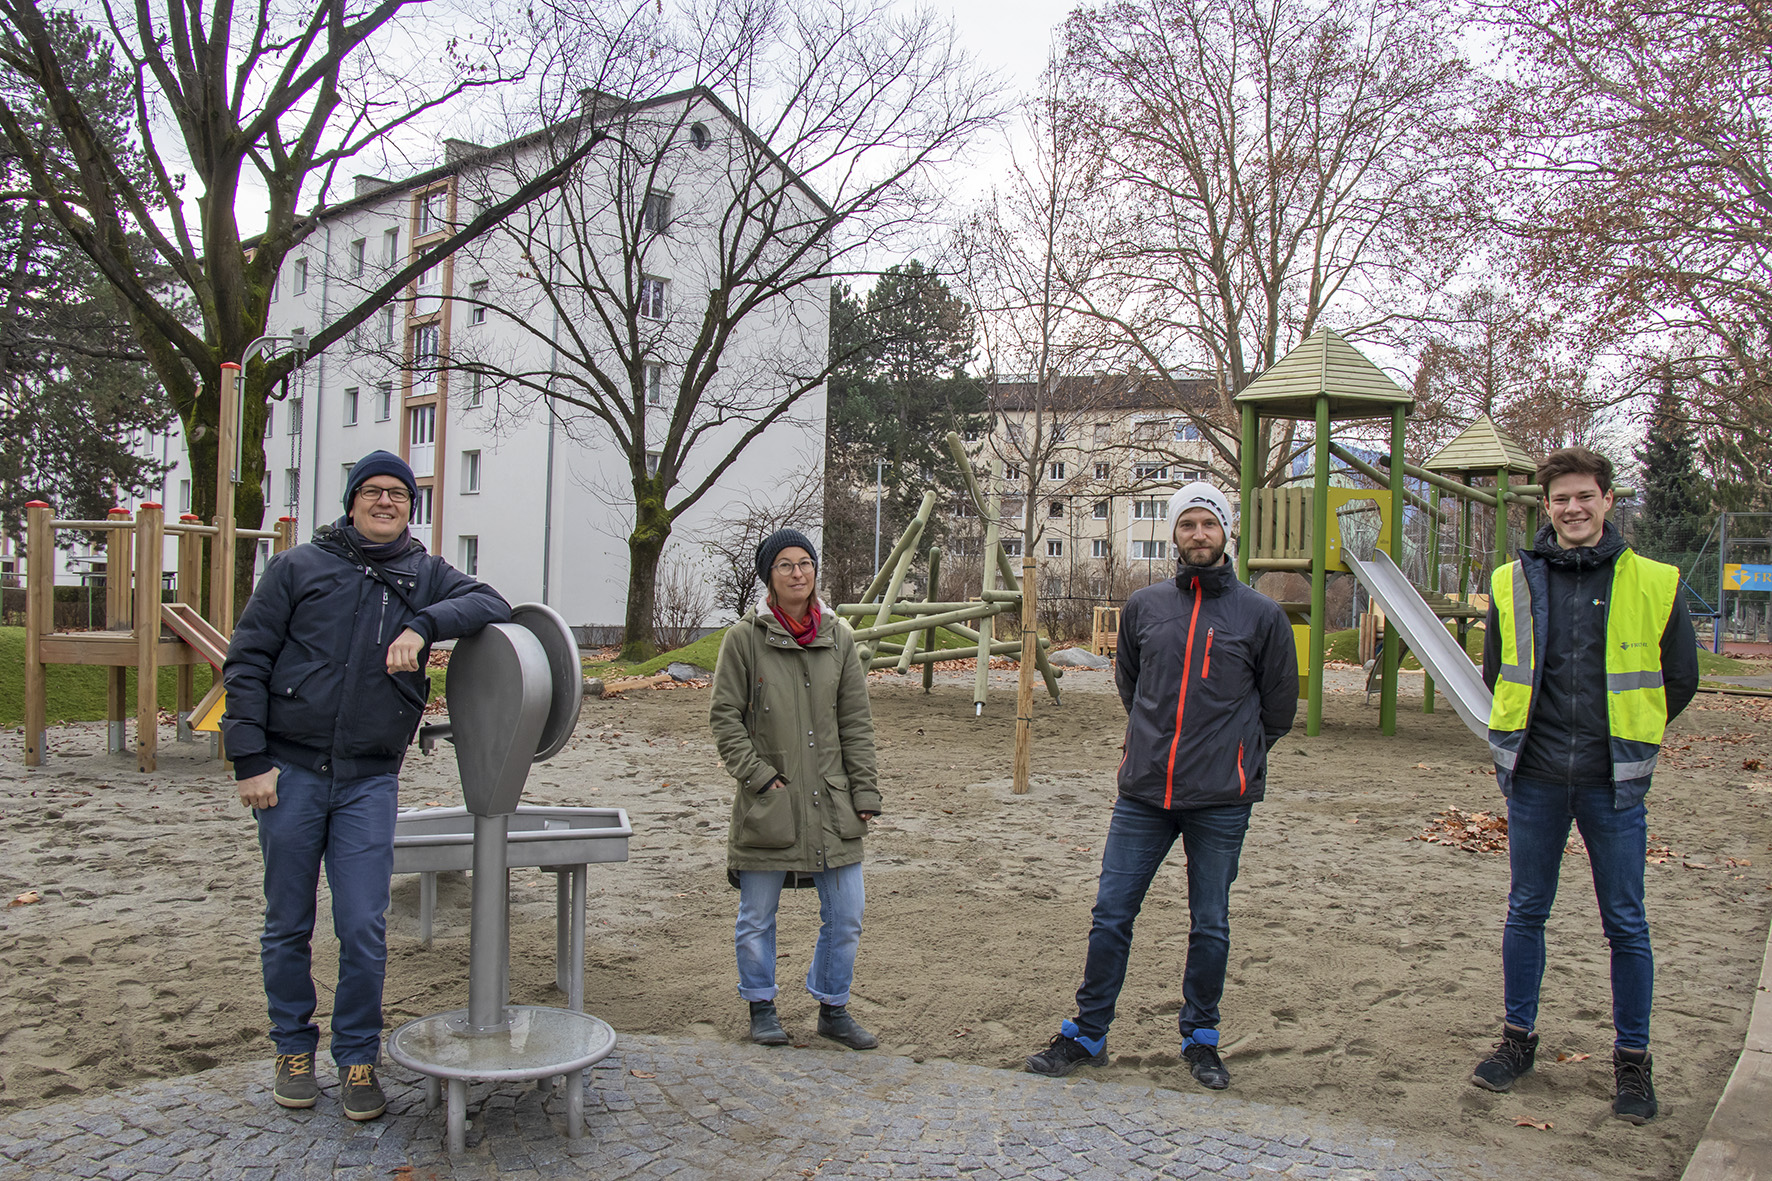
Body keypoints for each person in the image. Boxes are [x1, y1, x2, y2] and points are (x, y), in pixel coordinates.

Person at [222, 450, 511, 1119]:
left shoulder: (424, 573)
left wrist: (423, 622)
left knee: (362, 925)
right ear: (352, 500)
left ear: (412, 508)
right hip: (288, 772)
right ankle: (293, 1047)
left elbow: (490, 600)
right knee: (288, 923)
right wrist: (249, 759)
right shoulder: (298, 567)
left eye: (400, 496)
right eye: (374, 492)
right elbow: (248, 660)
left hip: (368, 779)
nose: (386, 503)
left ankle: (356, 1057)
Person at [1026, 482, 1297, 1089]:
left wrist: (1237, 759)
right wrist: (1154, 743)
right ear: (1173, 535)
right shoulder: (1146, 607)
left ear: (1226, 532)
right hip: (1145, 793)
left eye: (1208, 524)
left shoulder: (1261, 616)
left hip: (1221, 802)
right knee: (1111, 913)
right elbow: (1131, 685)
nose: (1198, 534)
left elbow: (1278, 709)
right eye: (1187, 525)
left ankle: (1201, 1038)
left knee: (1210, 922)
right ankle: (1088, 1032)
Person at [1471, 446, 1697, 1124]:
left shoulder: (1654, 581)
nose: (1573, 507)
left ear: (1607, 500)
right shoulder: (1512, 582)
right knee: (1526, 910)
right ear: (1547, 506)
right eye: (1561, 498)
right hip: (1536, 778)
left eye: (1584, 496)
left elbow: (1677, 678)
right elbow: (1497, 673)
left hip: (1612, 782)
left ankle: (1632, 1062)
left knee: (1625, 922)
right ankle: (1518, 1039)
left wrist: (1629, 734)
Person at [708, 528, 882, 1050]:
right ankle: (761, 1005)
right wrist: (761, 776)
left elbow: (856, 721)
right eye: (784, 564)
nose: (797, 572)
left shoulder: (839, 637)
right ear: (769, 575)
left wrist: (865, 792)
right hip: (771, 801)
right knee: (757, 915)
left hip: (832, 801)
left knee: (846, 914)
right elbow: (724, 719)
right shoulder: (745, 639)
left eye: (804, 562)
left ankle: (833, 1007)